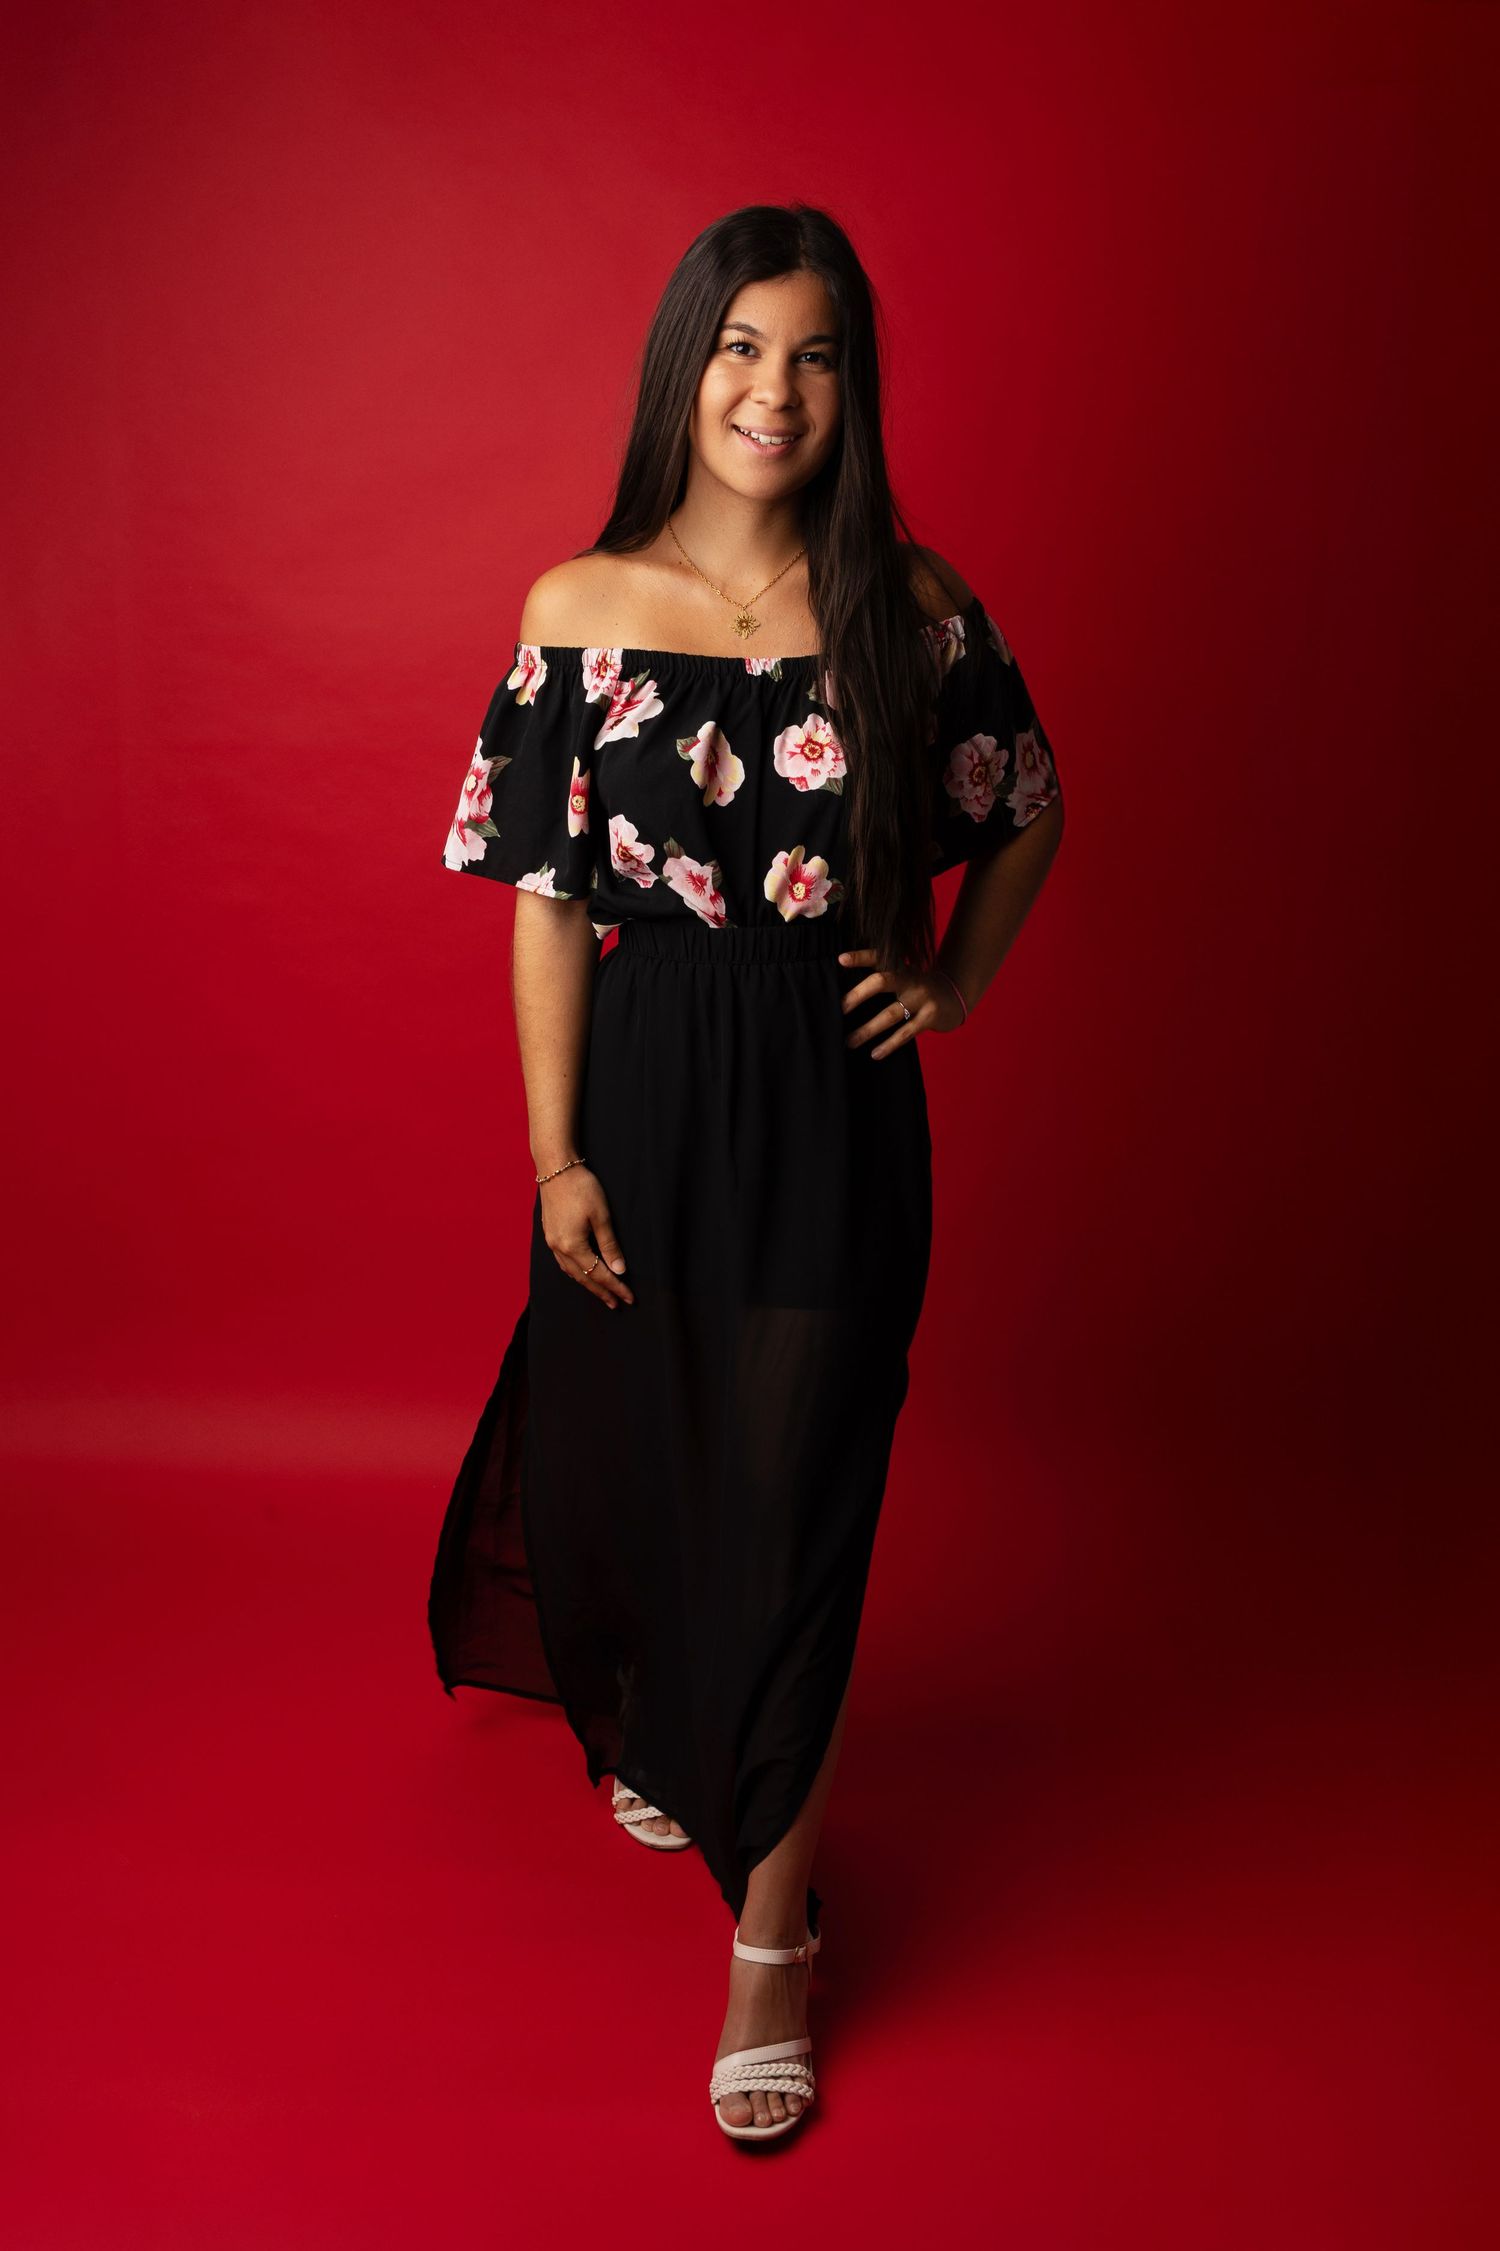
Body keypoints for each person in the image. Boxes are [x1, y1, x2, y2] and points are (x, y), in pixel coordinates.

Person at [427, 201, 1065, 2145]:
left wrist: (952, 982)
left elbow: (1027, 807)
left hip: (826, 1102)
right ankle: (677, 1720)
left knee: (800, 1498)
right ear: (682, 367)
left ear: (852, 389)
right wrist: (554, 1152)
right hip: (638, 1086)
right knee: (638, 1449)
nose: (774, 391)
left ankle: (773, 1937)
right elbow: (548, 904)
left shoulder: (909, 604)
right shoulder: (578, 604)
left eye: (816, 356)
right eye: (740, 348)